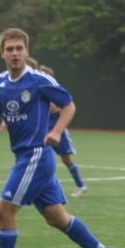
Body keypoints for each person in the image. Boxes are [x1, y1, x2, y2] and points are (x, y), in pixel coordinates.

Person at [0, 28, 121, 248]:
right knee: (57, 218)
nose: (15, 53)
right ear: (2, 53)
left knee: (2, 211)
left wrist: (55, 132)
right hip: (24, 157)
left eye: (20, 48)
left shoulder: (39, 80)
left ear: (27, 51)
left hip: (35, 157)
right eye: (10, 49)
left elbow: (69, 105)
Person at [38, 64, 88, 197]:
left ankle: (80, 185)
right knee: (39, 156)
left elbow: (63, 107)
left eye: (43, 73)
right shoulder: (39, 89)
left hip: (57, 130)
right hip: (44, 130)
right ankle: (42, 187)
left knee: (66, 159)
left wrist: (51, 108)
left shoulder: (55, 90)